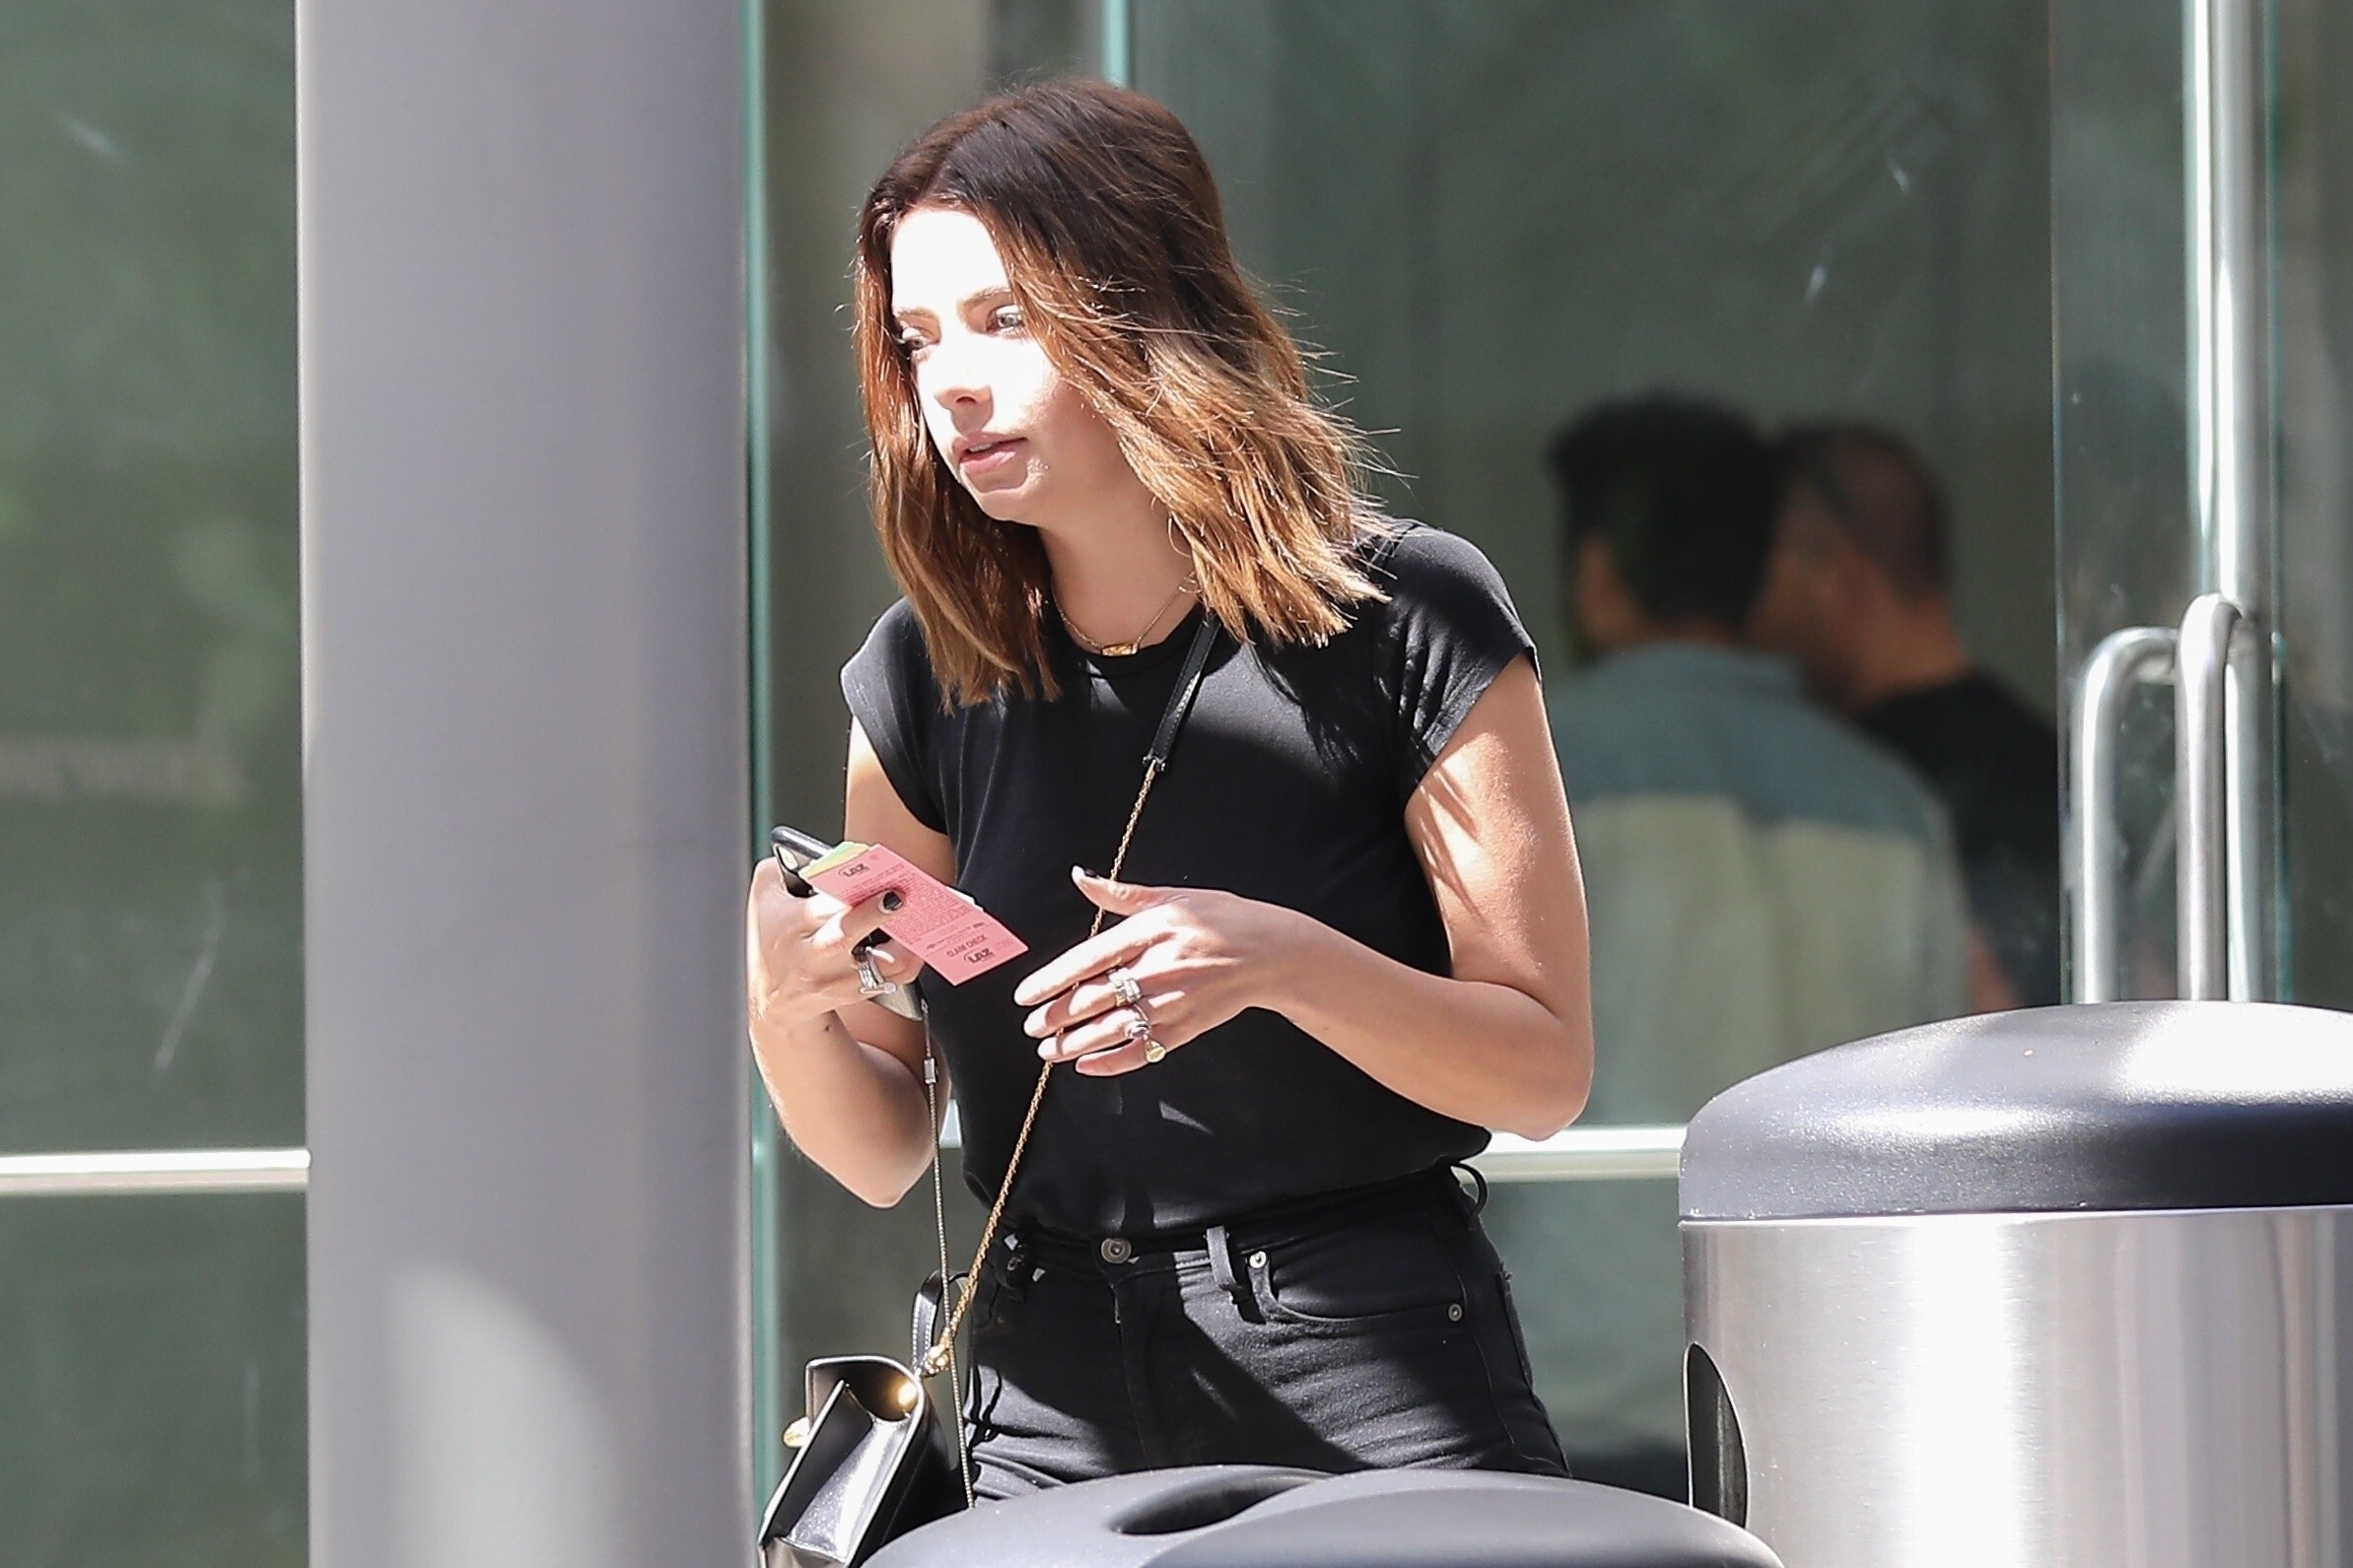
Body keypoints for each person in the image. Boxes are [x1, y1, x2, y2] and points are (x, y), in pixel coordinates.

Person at [743, 80, 1592, 1499]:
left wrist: (1278, 962)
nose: (950, 383)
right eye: (917, 337)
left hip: (1361, 1367)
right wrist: (784, 1008)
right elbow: (882, 1144)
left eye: (1004, 319)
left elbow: (1542, 1071)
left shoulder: (1401, 617)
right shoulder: (925, 671)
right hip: (1041, 1395)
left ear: (1142, 309)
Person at [1483, 395, 1968, 1498]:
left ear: (1594, 574)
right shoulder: (1891, 801)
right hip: (1832, 1389)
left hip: (1578, 1389)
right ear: (1757, 579)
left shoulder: (1528, 771)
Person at [1751, 422, 2061, 1009]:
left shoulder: (1864, 793)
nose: (1751, 620)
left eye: (1762, 578)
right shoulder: (2056, 767)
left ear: (1838, 575)